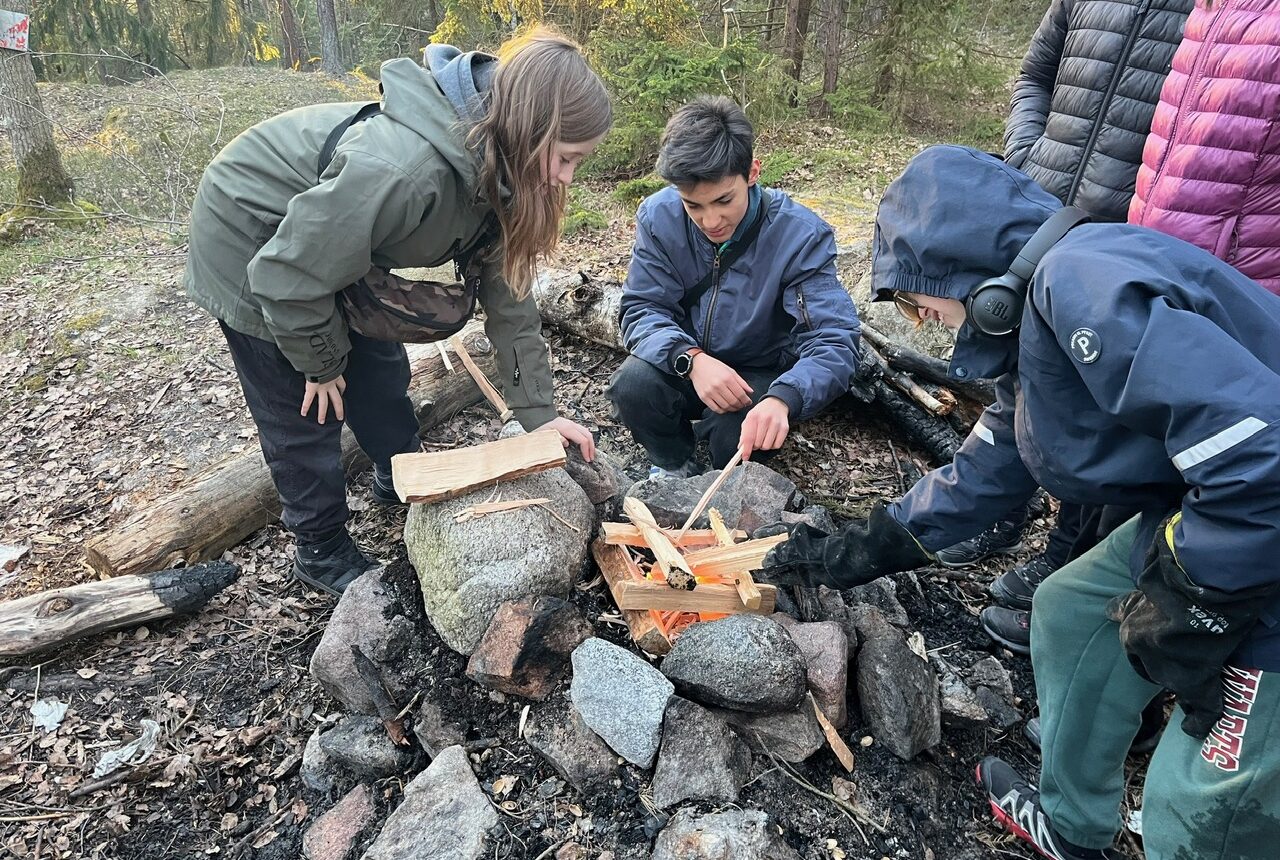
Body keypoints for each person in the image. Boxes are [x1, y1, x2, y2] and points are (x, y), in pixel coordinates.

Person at [763, 145, 1280, 860]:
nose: (926, 320)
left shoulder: (1085, 284)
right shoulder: (1037, 329)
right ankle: (1073, 827)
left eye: (919, 299)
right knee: (1073, 612)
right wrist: (862, 548)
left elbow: (1260, 451)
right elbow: (987, 469)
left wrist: (1197, 595)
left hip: (1254, 533)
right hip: (1223, 517)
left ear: (971, 275)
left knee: (1198, 814)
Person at [183, 28, 610, 596]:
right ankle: (320, 548)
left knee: (380, 373)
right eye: (565, 158)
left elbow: (511, 302)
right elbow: (286, 275)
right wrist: (321, 363)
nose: (567, 178)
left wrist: (537, 413)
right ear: (529, 129)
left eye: (579, 161)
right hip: (251, 237)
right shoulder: (407, 171)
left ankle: (400, 474)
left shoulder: (505, 164)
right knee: (308, 408)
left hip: (326, 247)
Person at [939, 0, 1195, 648]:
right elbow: (1036, 74)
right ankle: (1000, 506)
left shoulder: (1213, 12)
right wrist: (1029, 156)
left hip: (1124, 236)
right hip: (1041, 211)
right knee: (1017, 370)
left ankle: (1065, 557)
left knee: (1096, 410)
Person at [607, 96, 860, 476]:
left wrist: (784, 398)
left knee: (737, 439)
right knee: (633, 386)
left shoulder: (800, 236)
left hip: (760, 371)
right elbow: (642, 308)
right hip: (688, 361)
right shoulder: (659, 218)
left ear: (753, 172)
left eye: (724, 200)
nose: (711, 221)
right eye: (693, 205)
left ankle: (728, 464)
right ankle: (674, 466)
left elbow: (834, 339)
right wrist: (690, 359)